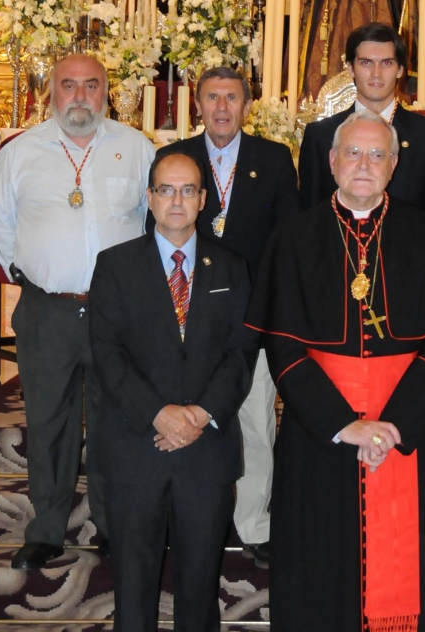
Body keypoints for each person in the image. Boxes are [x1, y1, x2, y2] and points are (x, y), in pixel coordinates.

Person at [246, 109, 425, 632]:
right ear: (331, 161)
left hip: (407, 428)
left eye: (378, 154)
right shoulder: (294, 238)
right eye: (353, 152)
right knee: (319, 551)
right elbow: (281, 344)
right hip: (320, 431)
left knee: (413, 553)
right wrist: (341, 423)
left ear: (394, 165)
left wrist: (397, 424)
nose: (364, 164)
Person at [0, 53, 155, 571]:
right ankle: (47, 528)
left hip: (117, 315)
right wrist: (38, 279)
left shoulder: (136, 147)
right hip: (47, 311)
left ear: (107, 92)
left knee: (116, 421)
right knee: (48, 422)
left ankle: (112, 522)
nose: (80, 96)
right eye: (68, 86)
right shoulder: (21, 153)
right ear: (51, 92)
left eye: (91, 86)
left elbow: (155, 221)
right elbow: (0, 225)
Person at [89, 150, 258, 631]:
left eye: (188, 190)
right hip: (135, 446)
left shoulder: (231, 266)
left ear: (203, 199)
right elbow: (107, 354)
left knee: (200, 586)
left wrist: (200, 414)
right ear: (150, 197)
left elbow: (241, 353)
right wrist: (158, 414)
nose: (177, 200)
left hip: (205, 451)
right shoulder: (115, 265)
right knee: (134, 587)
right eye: (166, 189)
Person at [159, 66, 299, 568]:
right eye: (213, 97)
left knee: (255, 421)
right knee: (193, 414)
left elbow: (287, 242)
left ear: (247, 105)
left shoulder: (274, 158)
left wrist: (270, 313)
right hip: (186, 315)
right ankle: (196, 516)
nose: (222, 107)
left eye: (232, 97)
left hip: (250, 315)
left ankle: (255, 526)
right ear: (197, 104)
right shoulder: (175, 159)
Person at [298, 22, 425, 213]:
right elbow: (309, 215)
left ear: (400, 70)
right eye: (366, 63)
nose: (376, 74)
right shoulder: (320, 136)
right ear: (350, 68)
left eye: (386, 63)